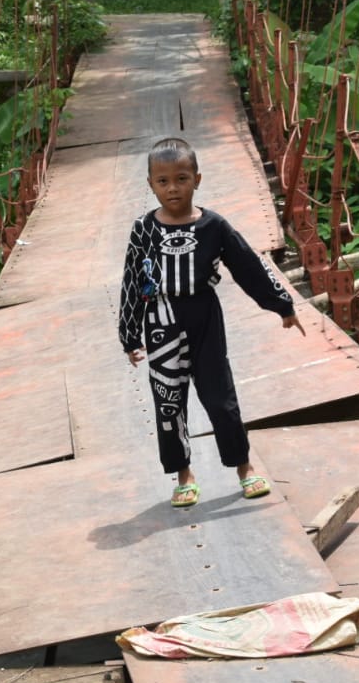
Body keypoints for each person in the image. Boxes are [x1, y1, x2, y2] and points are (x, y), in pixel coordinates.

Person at [118, 137, 306, 508]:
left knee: (220, 398)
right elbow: (131, 281)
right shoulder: (143, 230)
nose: (173, 188)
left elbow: (248, 265)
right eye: (163, 181)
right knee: (169, 402)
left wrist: (282, 305)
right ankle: (183, 475)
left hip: (204, 315)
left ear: (197, 180)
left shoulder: (214, 226)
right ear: (151, 184)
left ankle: (244, 467)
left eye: (182, 178)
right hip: (161, 321)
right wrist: (129, 335)